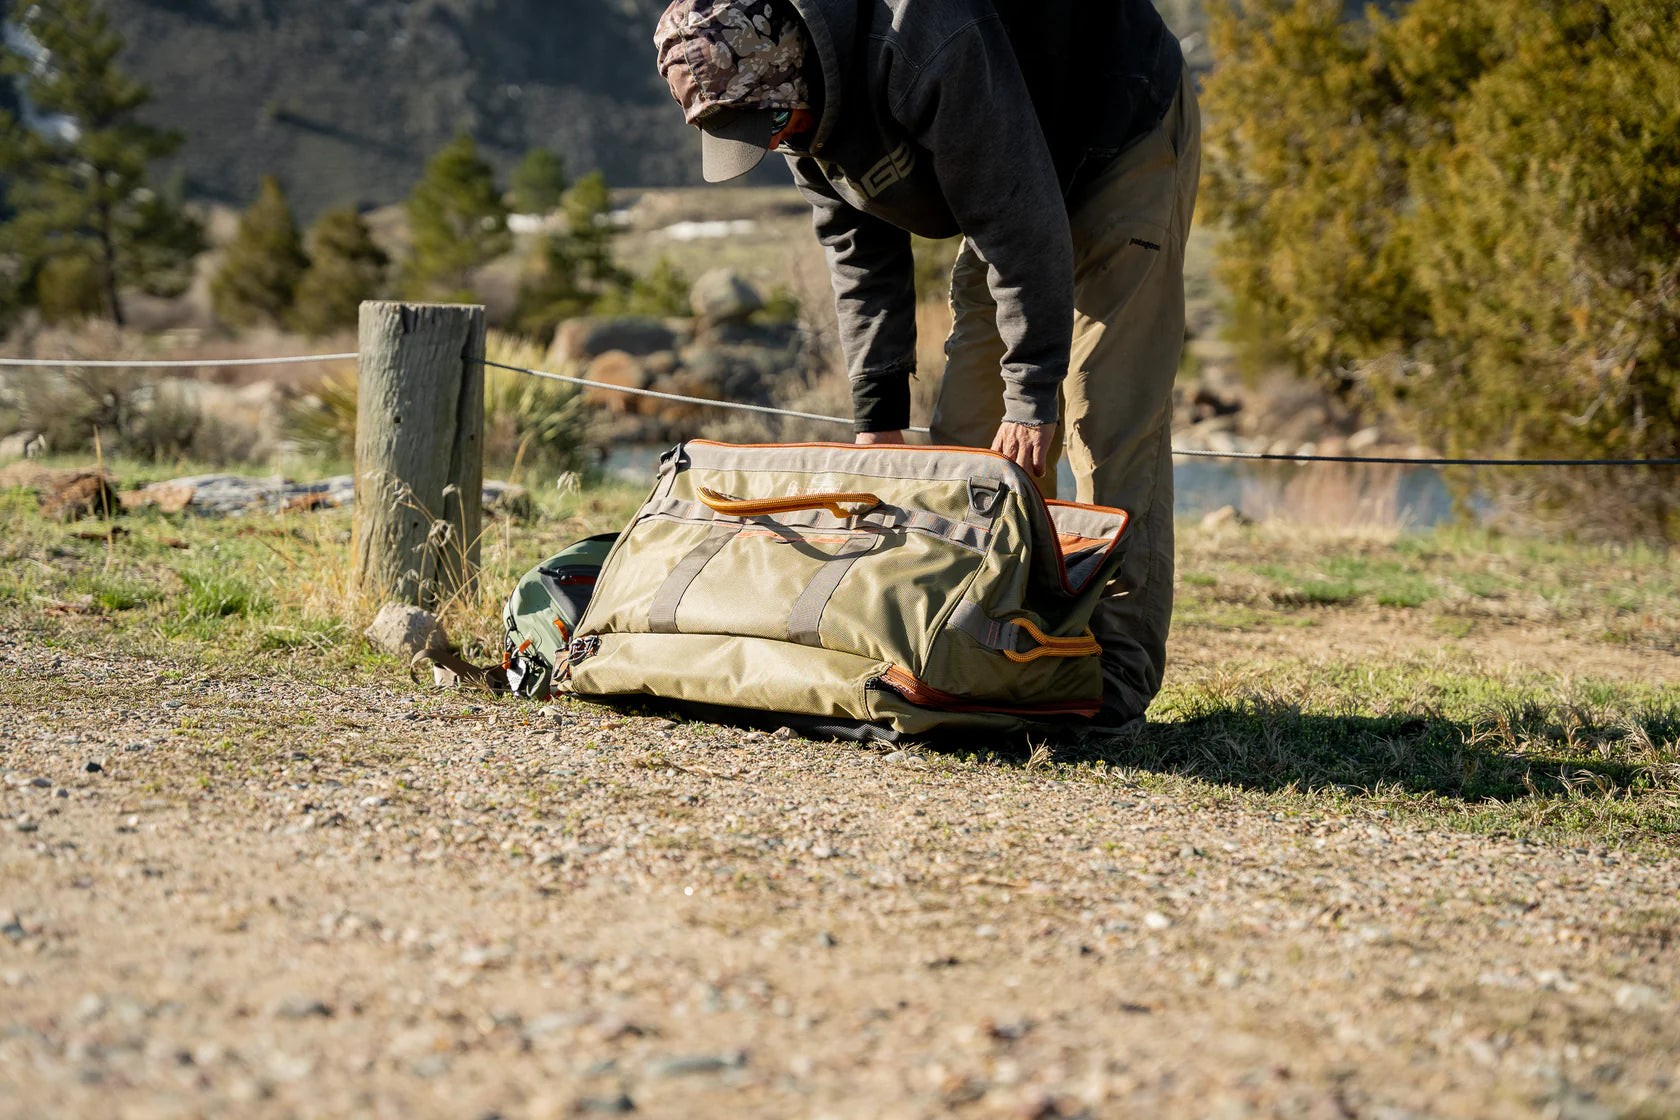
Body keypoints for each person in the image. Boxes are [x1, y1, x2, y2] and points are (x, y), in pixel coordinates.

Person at [654, 0, 1200, 730]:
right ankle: (992, 658)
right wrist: (878, 418)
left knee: (1105, 408)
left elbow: (1018, 217)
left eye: (775, 123)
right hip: (1014, 154)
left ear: (796, 64)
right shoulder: (788, 94)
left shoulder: (926, 40)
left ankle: (1114, 683)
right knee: (965, 445)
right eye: (762, 130)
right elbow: (857, 248)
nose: (778, 138)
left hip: (1114, 130)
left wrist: (1033, 395)